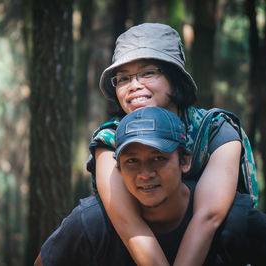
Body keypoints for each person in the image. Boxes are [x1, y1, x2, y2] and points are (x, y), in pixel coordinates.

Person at [35, 107, 266, 266]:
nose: (145, 174)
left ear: (184, 161)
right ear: (119, 168)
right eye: (132, 161)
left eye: (159, 158)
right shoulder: (92, 222)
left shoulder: (233, 219)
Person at [87, 23, 249, 265]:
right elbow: (127, 223)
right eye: (123, 78)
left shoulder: (216, 130)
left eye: (148, 73)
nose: (134, 85)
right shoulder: (109, 141)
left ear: (174, 78)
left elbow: (208, 217)